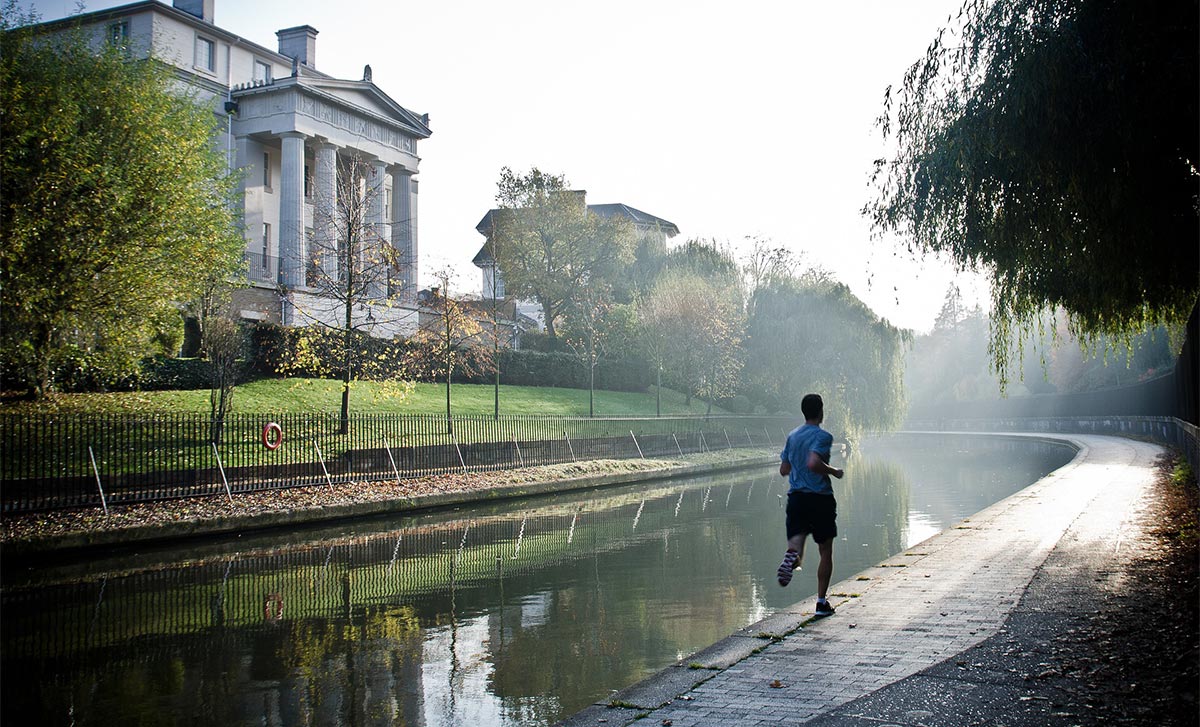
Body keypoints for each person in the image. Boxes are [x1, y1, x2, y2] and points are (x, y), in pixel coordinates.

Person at [776, 393, 844, 617]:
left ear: (804, 411)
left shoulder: (792, 436)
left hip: (796, 498)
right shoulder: (823, 436)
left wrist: (797, 467)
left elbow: (784, 469)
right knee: (825, 551)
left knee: (795, 548)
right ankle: (821, 603)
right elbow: (814, 462)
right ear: (821, 411)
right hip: (819, 498)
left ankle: (791, 558)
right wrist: (834, 471)